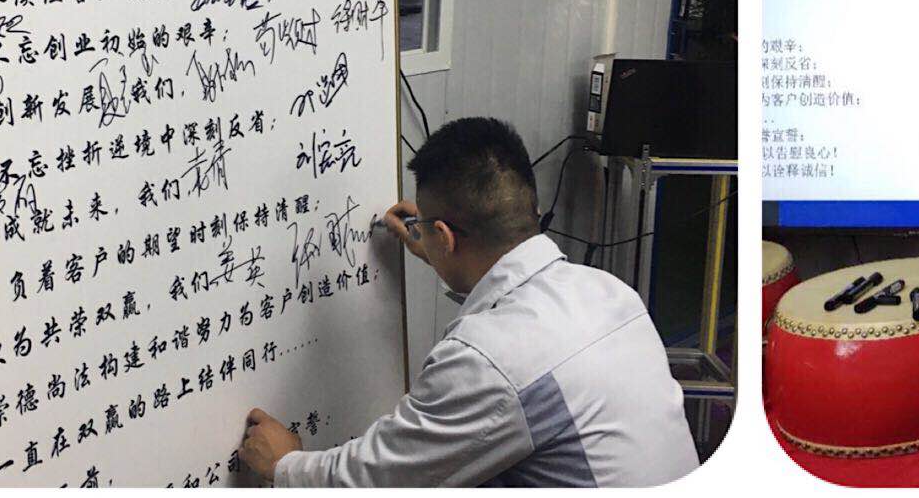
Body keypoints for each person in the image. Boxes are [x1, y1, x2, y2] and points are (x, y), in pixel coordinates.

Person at [238, 117, 700, 486]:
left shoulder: (486, 361)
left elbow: (380, 479)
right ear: (531, 210)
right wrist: (440, 252)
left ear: (444, 235)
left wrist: (284, 465)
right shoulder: (608, 292)